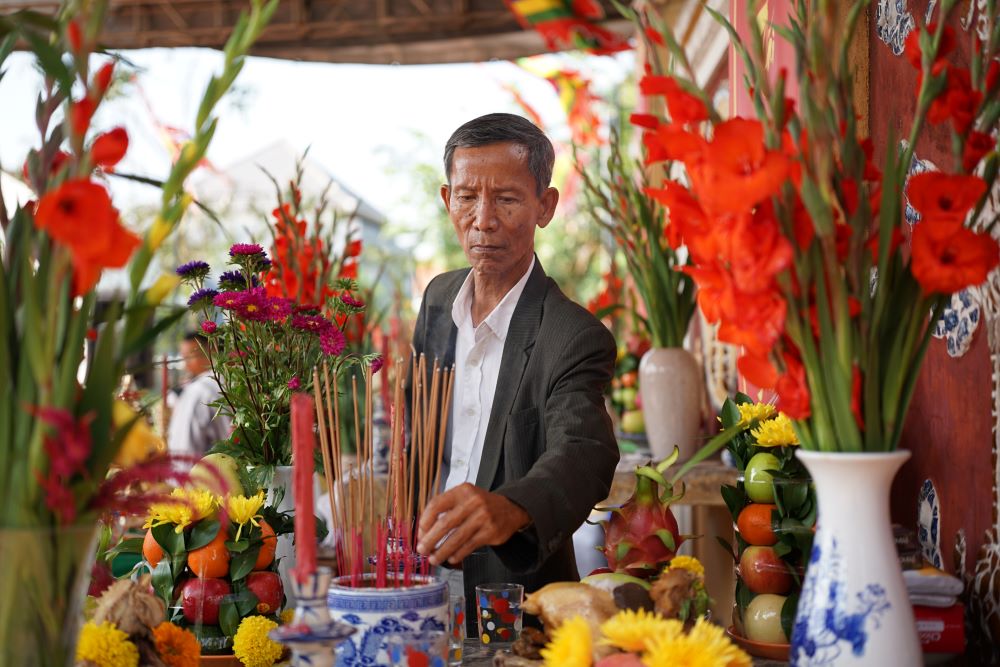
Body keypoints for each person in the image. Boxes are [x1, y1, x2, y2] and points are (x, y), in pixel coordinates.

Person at [412, 113, 619, 630]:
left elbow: (584, 452)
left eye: (506, 199)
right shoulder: (439, 300)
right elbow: (421, 428)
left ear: (543, 207)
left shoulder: (572, 335)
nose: (483, 219)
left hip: (515, 600)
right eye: (466, 197)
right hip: (420, 585)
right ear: (445, 200)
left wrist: (508, 508)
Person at [167, 330, 231, 458]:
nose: (186, 364)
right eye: (184, 357)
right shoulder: (207, 386)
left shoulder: (200, 390)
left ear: (211, 351)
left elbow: (185, 447)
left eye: (190, 356)